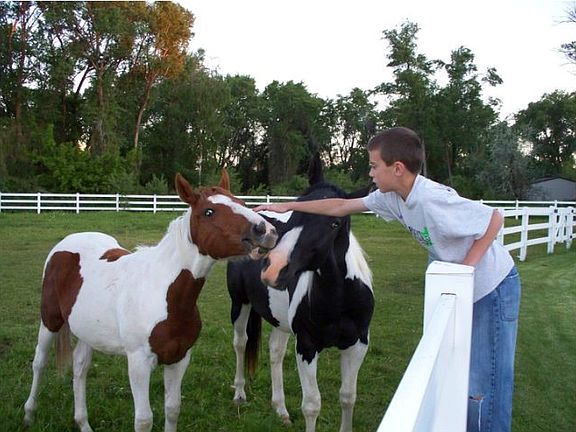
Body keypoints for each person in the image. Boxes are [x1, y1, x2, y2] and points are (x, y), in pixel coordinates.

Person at [254, 126, 521, 432]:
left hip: (493, 287)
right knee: (464, 371)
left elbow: (494, 218)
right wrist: (290, 206)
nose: (370, 173)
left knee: (487, 379)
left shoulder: (430, 198)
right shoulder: (392, 198)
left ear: (397, 169)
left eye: (373, 166)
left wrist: (465, 271)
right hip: (464, 287)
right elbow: (340, 206)